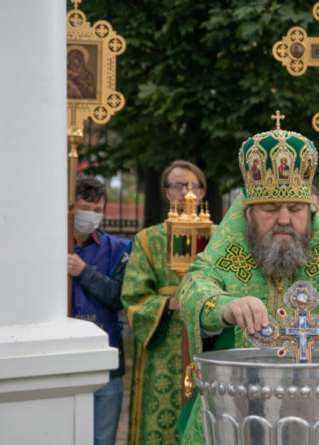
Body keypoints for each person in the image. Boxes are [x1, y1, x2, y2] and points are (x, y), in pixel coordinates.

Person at [176, 126, 319, 444]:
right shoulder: (224, 258)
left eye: (296, 209)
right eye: (271, 209)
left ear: (311, 214)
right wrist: (224, 307)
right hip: (235, 415)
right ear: (248, 214)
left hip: (318, 417)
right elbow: (194, 287)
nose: (285, 219)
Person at [120, 160, 215, 445]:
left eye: (194, 186)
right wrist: (168, 304)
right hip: (163, 343)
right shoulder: (147, 240)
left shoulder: (220, 236)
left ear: (202, 192)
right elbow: (133, 296)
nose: (186, 191)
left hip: (206, 338)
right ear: (165, 192)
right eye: (178, 185)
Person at [68, 176, 131, 445]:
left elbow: (118, 297)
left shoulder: (118, 249)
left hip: (106, 358)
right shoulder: (48, 243)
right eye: (85, 208)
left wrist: (84, 272)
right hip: (62, 356)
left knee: (101, 439)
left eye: (97, 210)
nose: (91, 215)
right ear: (71, 206)